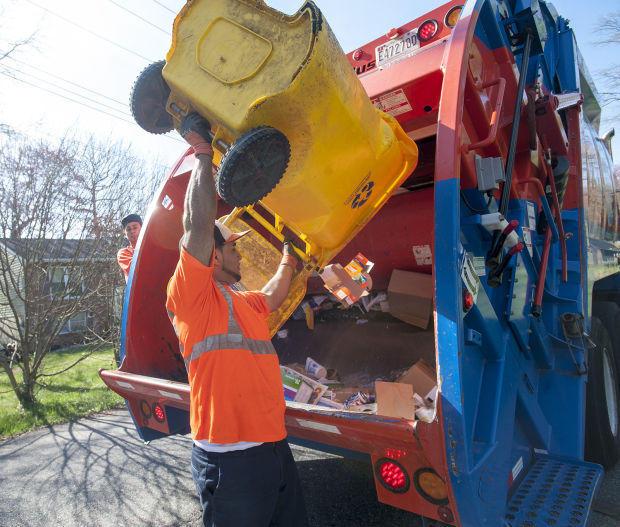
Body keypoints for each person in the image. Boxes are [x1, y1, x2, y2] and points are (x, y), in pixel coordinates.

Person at [166, 113, 308, 527]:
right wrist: (203, 153)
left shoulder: (242, 301)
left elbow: (273, 294)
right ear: (211, 254)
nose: (240, 254)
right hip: (229, 461)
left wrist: (290, 258)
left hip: (273, 450)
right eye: (232, 249)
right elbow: (196, 226)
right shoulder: (192, 296)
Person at [117, 214, 142, 281]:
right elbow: (136, 269)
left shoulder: (153, 246)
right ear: (125, 233)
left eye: (135, 227)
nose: (132, 231)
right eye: (128, 229)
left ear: (142, 229)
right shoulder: (124, 253)